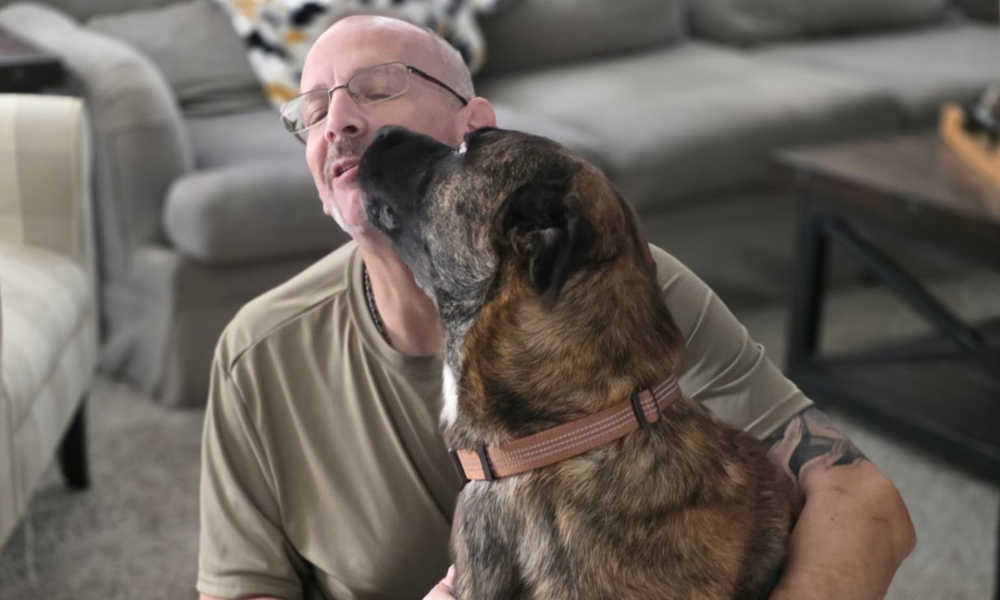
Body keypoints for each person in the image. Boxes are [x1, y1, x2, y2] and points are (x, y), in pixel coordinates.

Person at [197, 15, 916, 600]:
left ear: (474, 127)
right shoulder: (260, 350)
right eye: (312, 110)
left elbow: (864, 501)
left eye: (378, 88)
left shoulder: (611, 290)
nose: (340, 120)